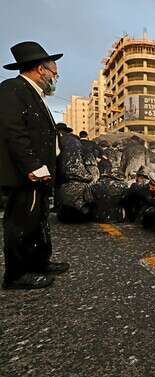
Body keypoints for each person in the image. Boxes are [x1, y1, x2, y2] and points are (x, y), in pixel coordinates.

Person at [0, 41, 69, 289]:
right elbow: (13, 131)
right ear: (41, 69)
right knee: (22, 222)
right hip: (25, 173)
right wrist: (32, 165)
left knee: (39, 220)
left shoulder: (33, 93)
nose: (55, 77)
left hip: (40, 172)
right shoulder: (13, 89)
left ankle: (39, 262)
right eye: (54, 72)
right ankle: (17, 274)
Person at [55, 123, 93, 223]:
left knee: (65, 202)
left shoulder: (58, 139)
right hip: (83, 177)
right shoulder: (77, 141)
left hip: (65, 177)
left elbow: (55, 159)